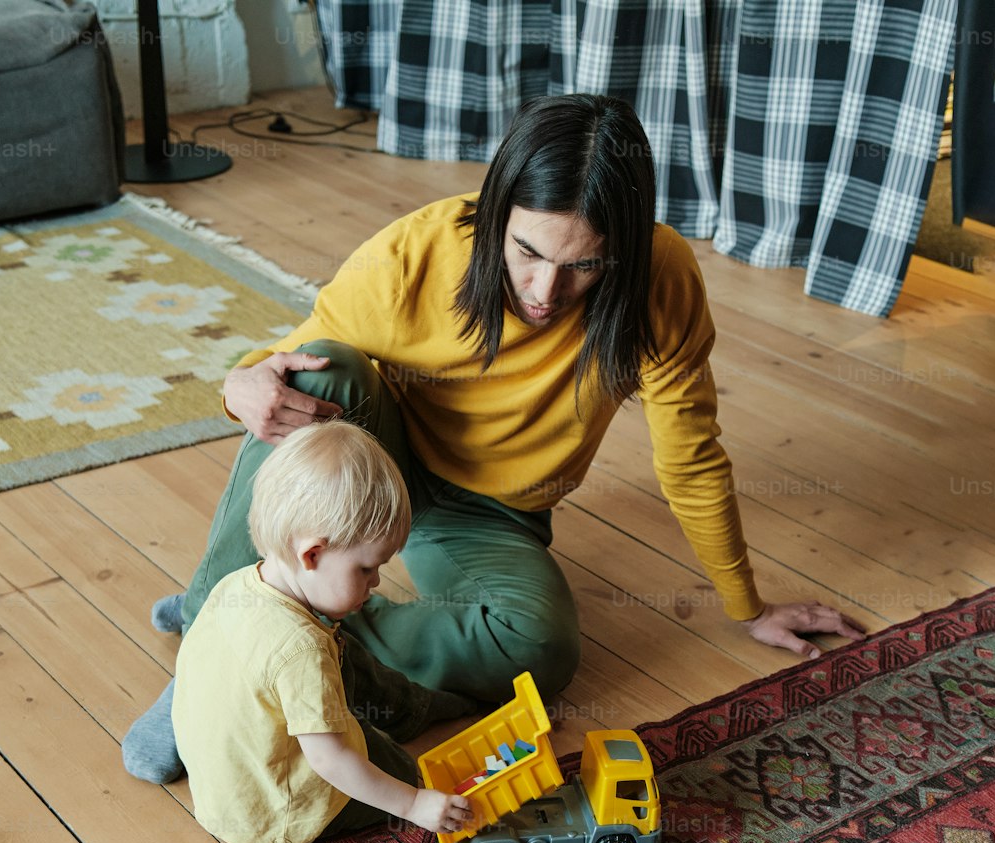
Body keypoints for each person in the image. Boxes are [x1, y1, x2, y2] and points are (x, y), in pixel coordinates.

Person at [124, 92, 863, 785]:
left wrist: (749, 605)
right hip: (383, 462)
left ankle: (291, 625)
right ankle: (207, 642)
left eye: (584, 266)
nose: (546, 291)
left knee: (541, 649)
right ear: (495, 210)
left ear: (626, 249)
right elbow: (280, 371)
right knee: (327, 373)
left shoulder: (661, 283)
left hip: (489, 514)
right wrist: (236, 384)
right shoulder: (414, 255)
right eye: (528, 252)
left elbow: (691, 455)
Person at [171, 421, 472, 843]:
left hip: (222, 794)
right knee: (398, 770)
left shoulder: (235, 586)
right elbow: (330, 761)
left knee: (343, 663)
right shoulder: (302, 651)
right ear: (311, 554)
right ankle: (415, 717)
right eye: (366, 568)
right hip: (276, 817)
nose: (376, 582)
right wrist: (415, 802)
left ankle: (410, 707)